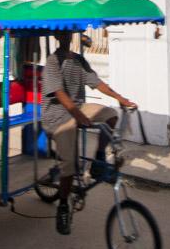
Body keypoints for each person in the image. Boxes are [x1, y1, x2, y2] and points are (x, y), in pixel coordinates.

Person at [41, 30, 137, 235]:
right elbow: (58, 92)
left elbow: (96, 83)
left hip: (78, 108)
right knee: (69, 165)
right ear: (57, 37)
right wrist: (76, 114)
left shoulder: (78, 60)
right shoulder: (52, 61)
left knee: (111, 115)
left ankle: (98, 161)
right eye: (63, 34)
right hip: (57, 116)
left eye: (69, 33)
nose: (67, 37)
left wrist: (121, 99)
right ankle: (63, 206)